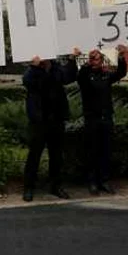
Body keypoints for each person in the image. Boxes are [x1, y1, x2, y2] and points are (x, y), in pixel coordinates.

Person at [22, 50, 78, 202]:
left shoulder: (56, 67)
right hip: (39, 121)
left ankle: (56, 185)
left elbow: (69, 77)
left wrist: (72, 60)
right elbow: (27, 82)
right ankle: (29, 187)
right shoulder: (32, 70)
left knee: (56, 156)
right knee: (34, 155)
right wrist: (34, 67)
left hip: (56, 118)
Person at [76, 45, 128, 195]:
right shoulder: (86, 75)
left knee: (106, 151)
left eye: (98, 58)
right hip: (92, 118)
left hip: (106, 118)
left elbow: (121, 73)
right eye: (93, 58)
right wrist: (86, 63)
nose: (96, 60)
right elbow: (80, 78)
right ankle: (92, 182)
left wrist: (121, 56)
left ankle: (104, 181)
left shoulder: (106, 75)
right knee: (92, 151)